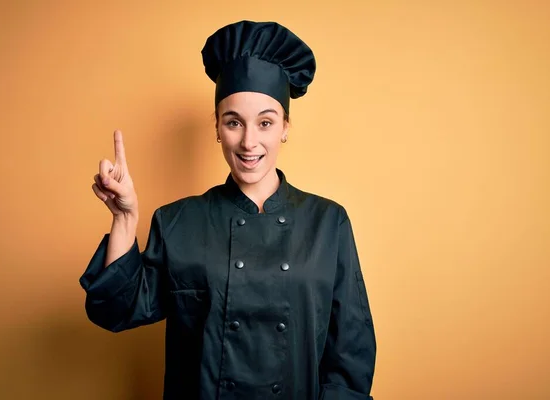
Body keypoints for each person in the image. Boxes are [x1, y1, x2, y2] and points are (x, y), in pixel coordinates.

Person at [80, 20, 376, 400]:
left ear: (285, 126)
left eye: (265, 122)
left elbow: (350, 351)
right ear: (218, 129)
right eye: (233, 122)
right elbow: (115, 311)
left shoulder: (328, 222)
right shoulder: (177, 222)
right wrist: (124, 219)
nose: (249, 142)